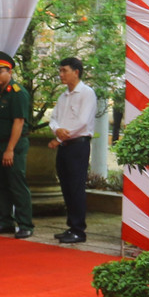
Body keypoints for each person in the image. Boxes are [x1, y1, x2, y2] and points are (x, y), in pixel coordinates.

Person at [48, 55, 96, 244]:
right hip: (65, 145)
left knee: (76, 187)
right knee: (66, 186)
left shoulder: (87, 93)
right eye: (60, 71)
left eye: (64, 71)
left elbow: (83, 122)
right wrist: (56, 130)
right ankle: (71, 226)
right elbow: (54, 118)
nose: (61, 75)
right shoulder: (63, 96)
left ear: (76, 72)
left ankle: (79, 229)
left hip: (78, 145)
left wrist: (59, 137)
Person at [0, 51, 32, 239]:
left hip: (13, 146)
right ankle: (5, 221)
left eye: (0, 71)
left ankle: (25, 224)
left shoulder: (17, 93)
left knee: (16, 185)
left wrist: (10, 149)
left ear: (9, 72)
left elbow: (18, 122)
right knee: (0, 185)